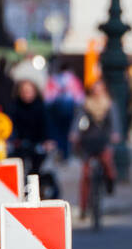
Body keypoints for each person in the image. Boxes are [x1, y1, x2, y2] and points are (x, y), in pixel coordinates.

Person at [72, 79, 119, 214]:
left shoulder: (109, 104)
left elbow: (114, 121)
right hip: (89, 139)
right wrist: (75, 133)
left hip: (103, 138)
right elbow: (78, 120)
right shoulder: (86, 104)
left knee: (107, 162)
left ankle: (110, 182)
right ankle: (84, 206)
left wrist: (115, 134)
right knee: (86, 174)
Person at [8, 78, 53, 179]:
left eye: (29, 91)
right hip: (20, 144)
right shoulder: (14, 106)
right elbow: (11, 125)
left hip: (37, 143)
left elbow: (46, 125)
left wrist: (47, 141)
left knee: (38, 168)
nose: (26, 94)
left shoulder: (40, 106)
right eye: (24, 91)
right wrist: (13, 140)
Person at [45, 60, 85, 161]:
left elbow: (48, 98)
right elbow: (80, 98)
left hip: (56, 110)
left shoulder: (54, 79)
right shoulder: (74, 80)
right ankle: (66, 155)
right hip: (70, 110)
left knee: (58, 133)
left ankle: (59, 152)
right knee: (68, 133)